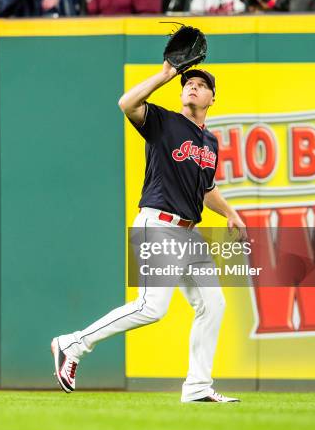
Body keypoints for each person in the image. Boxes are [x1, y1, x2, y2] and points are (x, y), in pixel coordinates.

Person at [51, 59, 246, 403]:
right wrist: (165, 74)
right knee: (151, 307)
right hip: (158, 224)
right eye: (189, 82)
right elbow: (126, 104)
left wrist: (230, 213)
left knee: (213, 304)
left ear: (212, 98)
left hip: (190, 233)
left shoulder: (210, 142)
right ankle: (74, 343)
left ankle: (198, 386)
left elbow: (206, 188)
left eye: (201, 84)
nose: (193, 86)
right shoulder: (163, 121)